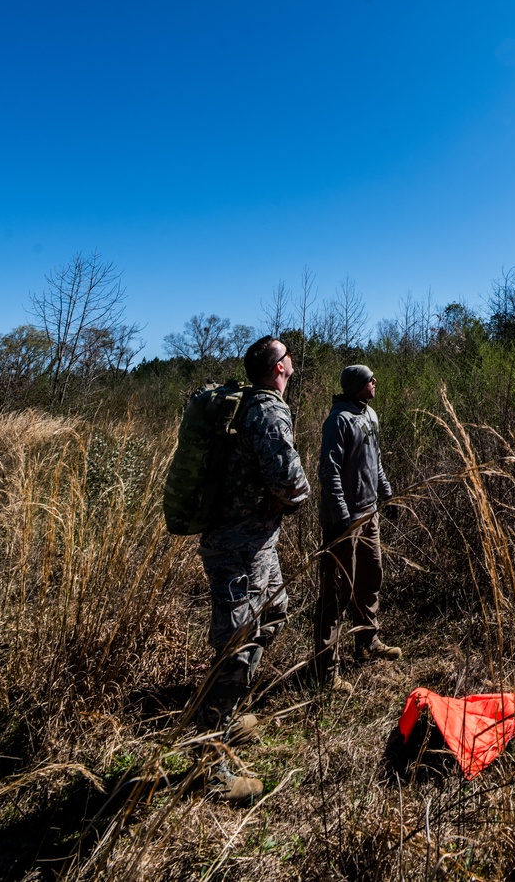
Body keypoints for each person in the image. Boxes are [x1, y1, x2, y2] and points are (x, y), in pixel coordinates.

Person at [197, 336, 310, 796]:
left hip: (256, 546)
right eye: (288, 357)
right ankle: (210, 766)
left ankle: (230, 719)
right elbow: (289, 480)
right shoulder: (266, 410)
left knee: (274, 614)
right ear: (278, 369)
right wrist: (300, 496)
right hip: (240, 549)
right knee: (237, 650)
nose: (292, 362)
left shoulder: (250, 405)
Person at [314, 364, 401, 687]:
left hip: (369, 514)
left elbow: (375, 462)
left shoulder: (370, 416)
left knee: (370, 576)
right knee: (337, 591)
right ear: (355, 386)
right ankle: (327, 671)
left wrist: (386, 495)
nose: (374, 382)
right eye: (369, 380)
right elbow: (329, 470)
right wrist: (341, 514)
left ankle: (368, 642)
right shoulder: (338, 420)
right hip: (344, 520)